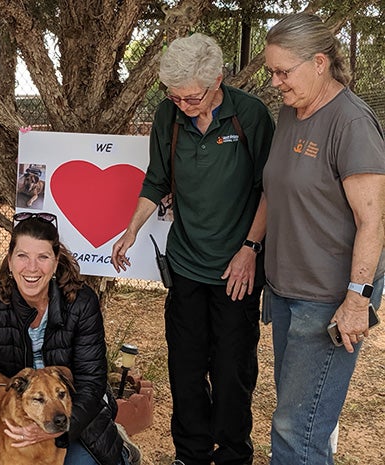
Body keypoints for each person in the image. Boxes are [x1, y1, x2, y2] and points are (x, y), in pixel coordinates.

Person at [111, 33, 275, 465]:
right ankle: (191, 454)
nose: (183, 105)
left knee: (231, 371)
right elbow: (156, 179)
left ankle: (233, 453)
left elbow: (269, 190)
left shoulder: (251, 116)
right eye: (175, 97)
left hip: (236, 269)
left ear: (218, 80)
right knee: (185, 368)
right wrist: (130, 230)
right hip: (185, 266)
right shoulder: (169, 115)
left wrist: (251, 249)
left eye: (192, 97)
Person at [263, 13, 385, 465]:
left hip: (327, 300)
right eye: (271, 71)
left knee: (299, 432)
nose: (275, 82)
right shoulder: (291, 112)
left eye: (282, 71)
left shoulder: (351, 123)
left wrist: (357, 299)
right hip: (286, 291)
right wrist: (251, 247)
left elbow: (374, 221)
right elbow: (273, 188)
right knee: (298, 420)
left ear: (319, 62)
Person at [0, 212, 141, 465]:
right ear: (10, 259)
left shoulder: (81, 303)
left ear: (56, 260)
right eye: (22, 256)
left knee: (90, 459)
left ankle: (122, 449)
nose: (31, 268)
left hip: (72, 412)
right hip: (14, 411)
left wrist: (59, 431)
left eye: (43, 257)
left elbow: (91, 383)